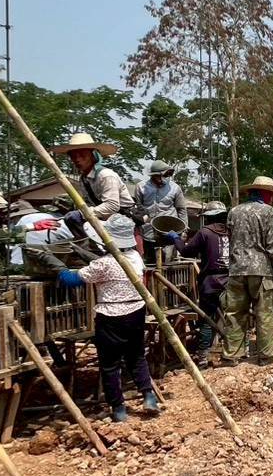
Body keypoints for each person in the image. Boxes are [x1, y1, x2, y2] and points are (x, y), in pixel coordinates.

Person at [57, 215, 156, 423]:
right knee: (136, 356)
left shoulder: (103, 264)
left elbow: (72, 279)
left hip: (111, 316)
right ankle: (148, 396)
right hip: (136, 310)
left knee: (110, 363)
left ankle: (118, 407)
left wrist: (58, 269)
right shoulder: (136, 258)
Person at [219, 176, 273, 366]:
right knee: (264, 313)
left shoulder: (233, 212)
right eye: (271, 195)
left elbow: (231, 238)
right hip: (262, 270)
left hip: (236, 269)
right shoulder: (268, 212)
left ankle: (232, 355)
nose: (272, 199)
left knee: (234, 313)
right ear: (266, 194)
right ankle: (265, 355)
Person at [169, 200, 230, 367]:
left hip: (210, 283)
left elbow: (186, 251)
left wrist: (176, 239)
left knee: (206, 319)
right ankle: (236, 351)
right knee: (233, 317)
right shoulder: (231, 232)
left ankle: (203, 356)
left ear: (209, 218)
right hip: (230, 281)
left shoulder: (205, 233)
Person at [51, 132, 134, 227]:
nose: (77, 159)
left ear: (93, 156)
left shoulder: (106, 175)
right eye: (73, 156)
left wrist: (82, 214)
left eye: (82, 155)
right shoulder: (84, 178)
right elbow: (88, 203)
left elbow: (112, 206)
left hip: (124, 222)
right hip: (104, 221)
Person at [135, 161, 187, 258]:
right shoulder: (141, 187)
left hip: (170, 233)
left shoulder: (175, 188)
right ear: (154, 175)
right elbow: (138, 207)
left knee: (169, 265)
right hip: (148, 233)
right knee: (150, 265)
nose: (164, 178)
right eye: (161, 176)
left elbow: (181, 209)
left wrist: (184, 230)